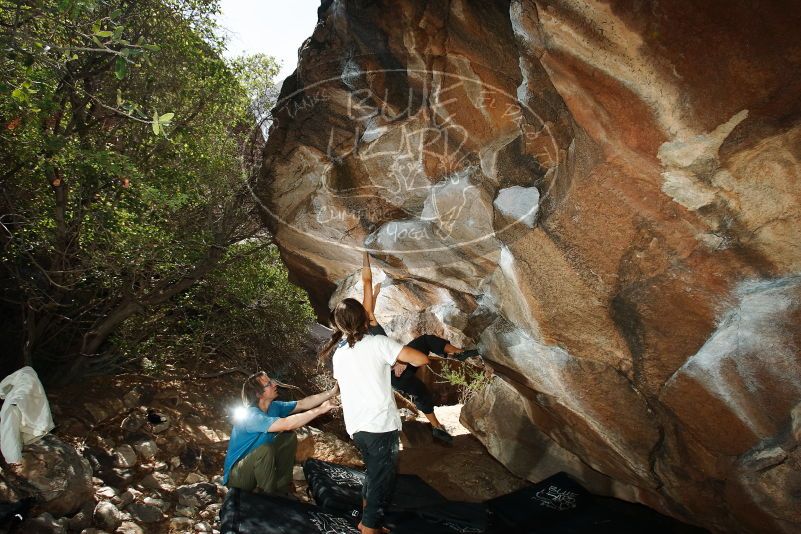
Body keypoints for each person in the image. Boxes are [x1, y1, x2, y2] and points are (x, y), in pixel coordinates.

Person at [319, 298, 429, 534]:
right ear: (365, 319)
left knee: (373, 474)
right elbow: (422, 359)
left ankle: (366, 522)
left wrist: (386, 365)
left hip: (357, 426)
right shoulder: (378, 343)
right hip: (379, 425)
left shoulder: (340, 354)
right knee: (382, 482)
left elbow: (360, 375)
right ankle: (369, 528)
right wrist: (398, 360)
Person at [361, 252, 479, 444]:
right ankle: (458, 354)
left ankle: (436, 427)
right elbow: (366, 282)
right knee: (424, 344)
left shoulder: (356, 338)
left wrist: (375, 293)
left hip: (395, 374)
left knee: (421, 390)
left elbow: (368, 305)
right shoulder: (369, 330)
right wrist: (364, 255)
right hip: (395, 368)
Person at [222, 371, 338, 495]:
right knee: (265, 450)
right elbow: (287, 423)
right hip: (238, 479)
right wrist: (320, 410)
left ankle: (282, 486)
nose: (274, 385)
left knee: (288, 437)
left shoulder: (274, 407)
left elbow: (303, 404)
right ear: (258, 393)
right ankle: (270, 498)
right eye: (269, 384)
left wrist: (332, 391)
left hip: (257, 466)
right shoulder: (251, 415)